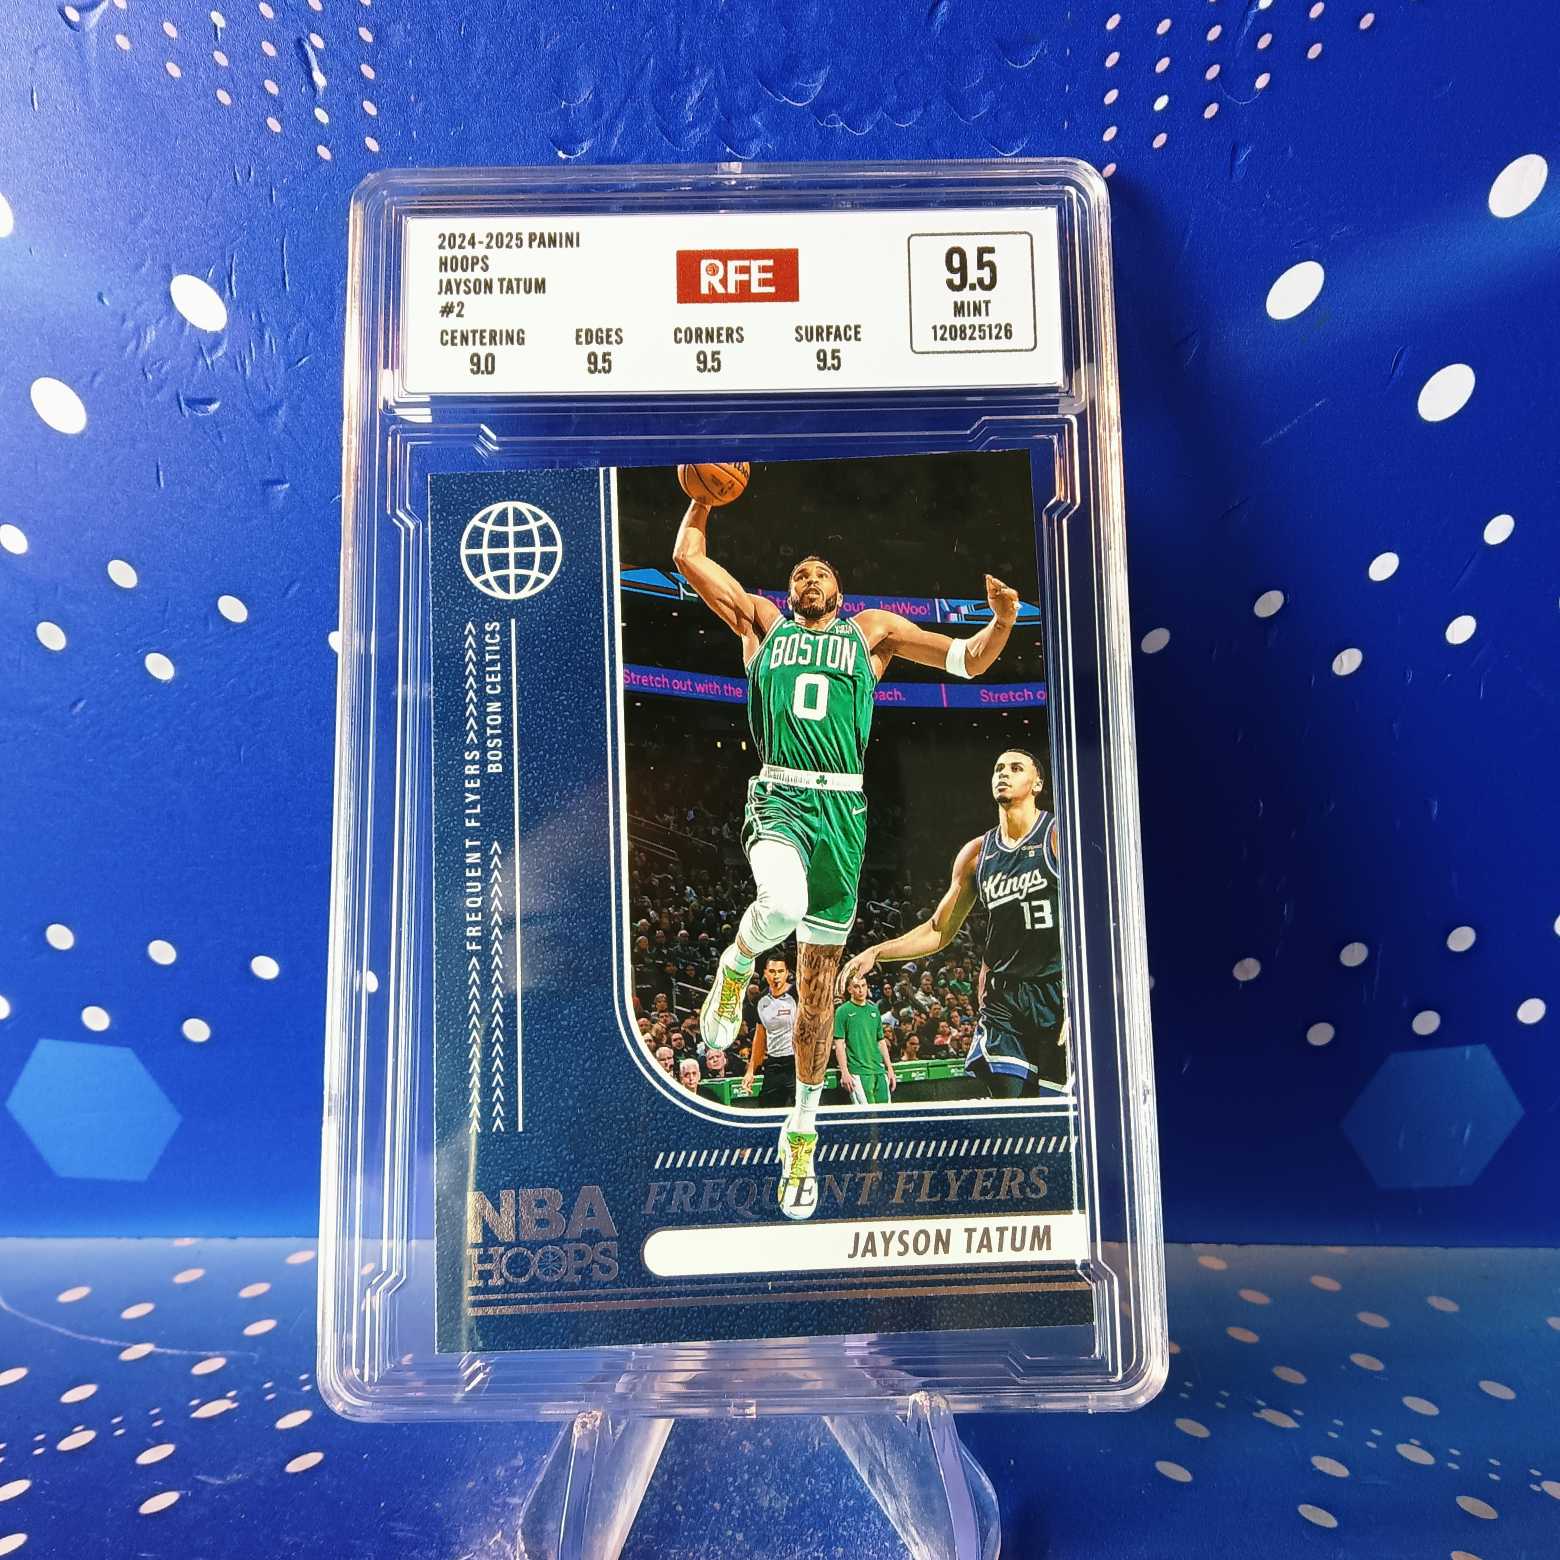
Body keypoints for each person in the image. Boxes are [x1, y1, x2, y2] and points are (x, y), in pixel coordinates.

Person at [673, 476, 1020, 1219]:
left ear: (840, 590)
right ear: (788, 591)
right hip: (780, 793)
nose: (809, 577)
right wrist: (702, 499)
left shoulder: (872, 634)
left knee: (817, 988)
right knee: (779, 903)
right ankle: (736, 964)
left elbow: (969, 661)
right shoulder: (762, 623)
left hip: (844, 811)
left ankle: (802, 1130)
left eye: (821, 572)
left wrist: (1003, 620)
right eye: (799, 572)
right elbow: (688, 559)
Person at [839, 749, 1066, 1099]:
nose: (1004, 774)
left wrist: (1084, 998)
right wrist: (876, 952)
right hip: (1003, 998)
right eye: (998, 768)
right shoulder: (977, 854)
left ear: (1037, 784)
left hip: (1057, 990)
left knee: (1055, 1112)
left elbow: (1093, 917)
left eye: (1016, 768)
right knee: (1010, 1108)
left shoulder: (1057, 837)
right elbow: (939, 929)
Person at [741, 952, 798, 1107]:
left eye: (780, 971)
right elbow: (760, 1037)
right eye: (772, 971)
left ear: (787, 973)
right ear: (765, 973)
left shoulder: (798, 994)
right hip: (773, 1063)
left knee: (801, 1111)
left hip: (797, 1063)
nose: (776, 976)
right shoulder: (761, 1000)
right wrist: (751, 1070)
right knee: (767, 1109)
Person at [833, 973, 896, 1104]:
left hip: (879, 1070)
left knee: (886, 1113)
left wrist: (890, 1069)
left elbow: (881, 1041)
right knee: (867, 1114)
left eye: (863, 986)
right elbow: (839, 1044)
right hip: (858, 1072)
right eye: (856, 986)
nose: (861, 990)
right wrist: (844, 1072)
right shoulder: (842, 1011)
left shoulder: (874, 1010)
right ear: (849, 989)